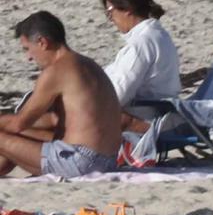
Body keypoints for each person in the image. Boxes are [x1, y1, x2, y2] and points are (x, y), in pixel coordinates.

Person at [0, 12, 123, 179]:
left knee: (9, 134)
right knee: (17, 137)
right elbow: (54, 120)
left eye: (27, 49)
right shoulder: (88, 64)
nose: (29, 57)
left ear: (42, 42)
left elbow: (18, 124)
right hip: (108, 160)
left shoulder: (56, 71)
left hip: (81, 161)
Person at [98, 0, 181, 131]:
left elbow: (118, 95)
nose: (111, 19)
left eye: (110, 12)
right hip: (165, 113)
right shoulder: (158, 34)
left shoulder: (141, 44)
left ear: (127, 8)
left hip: (149, 119)